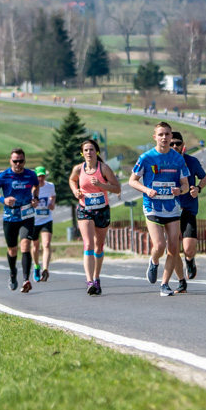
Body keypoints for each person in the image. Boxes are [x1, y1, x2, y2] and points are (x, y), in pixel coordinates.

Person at [128, 121, 189, 296]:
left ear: (171, 136)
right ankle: (154, 261)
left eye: (167, 134)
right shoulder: (146, 158)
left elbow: (185, 184)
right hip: (152, 206)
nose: (164, 137)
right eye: (160, 134)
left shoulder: (178, 159)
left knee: (174, 248)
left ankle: (165, 284)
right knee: (160, 245)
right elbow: (132, 180)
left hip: (172, 207)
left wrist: (180, 190)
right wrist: (147, 190)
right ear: (155, 137)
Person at [69, 139, 121, 295]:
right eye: (85, 150)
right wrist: (75, 191)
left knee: (99, 246)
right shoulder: (78, 169)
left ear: (96, 152)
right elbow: (72, 179)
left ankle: (97, 277)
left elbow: (117, 188)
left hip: (102, 210)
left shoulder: (103, 168)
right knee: (88, 244)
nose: (88, 153)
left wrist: (101, 184)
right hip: (85, 210)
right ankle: (89, 281)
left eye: (91, 149)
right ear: (82, 153)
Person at [0, 148, 39, 292]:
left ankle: (26, 280)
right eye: (15, 161)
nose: (18, 164)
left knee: (25, 246)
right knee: (12, 250)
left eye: (21, 161)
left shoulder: (31, 174)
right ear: (10, 161)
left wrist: (35, 198)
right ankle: (12, 274)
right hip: (10, 217)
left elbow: (36, 186)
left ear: (24, 161)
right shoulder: (4, 176)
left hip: (27, 215)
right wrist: (3, 199)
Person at [171, 130, 206, 293]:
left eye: (177, 143)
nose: (174, 146)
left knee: (188, 248)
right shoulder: (163, 163)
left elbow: (204, 177)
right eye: (171, 143)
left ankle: (190, 260)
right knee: (172, 249)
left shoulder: (191, 162)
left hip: (188, 208)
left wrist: (198, 188)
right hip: (168, 210)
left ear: (183, 145)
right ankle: (180, 281)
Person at [31, 167, 56, 282]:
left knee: (46, 244)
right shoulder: (31, 188)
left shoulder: (50, 186)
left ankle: (45, 269)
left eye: (43, 176)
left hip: (46, 219)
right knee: (35, 246)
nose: (41, 178)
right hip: (34, 221)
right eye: (38, 176)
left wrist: (52, 203)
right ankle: (36, 266)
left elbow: (53, 195)